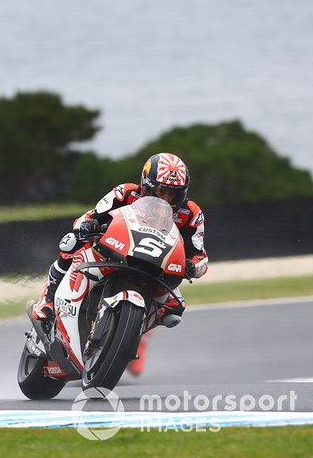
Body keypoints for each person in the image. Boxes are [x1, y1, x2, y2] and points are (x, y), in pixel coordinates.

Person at [32, 153, 209, 369]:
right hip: (114, 251)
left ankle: (128, 335)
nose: (166, 199)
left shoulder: (191, 214)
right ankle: (48, 301)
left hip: (156, 268)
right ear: (147, 185)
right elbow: (90, 217)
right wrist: (88, 225)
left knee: (174, 310)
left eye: (173, 194)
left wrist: (192, 266)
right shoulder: (124, 192)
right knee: (70, 243)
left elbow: (200, 256)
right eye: (161, 191)